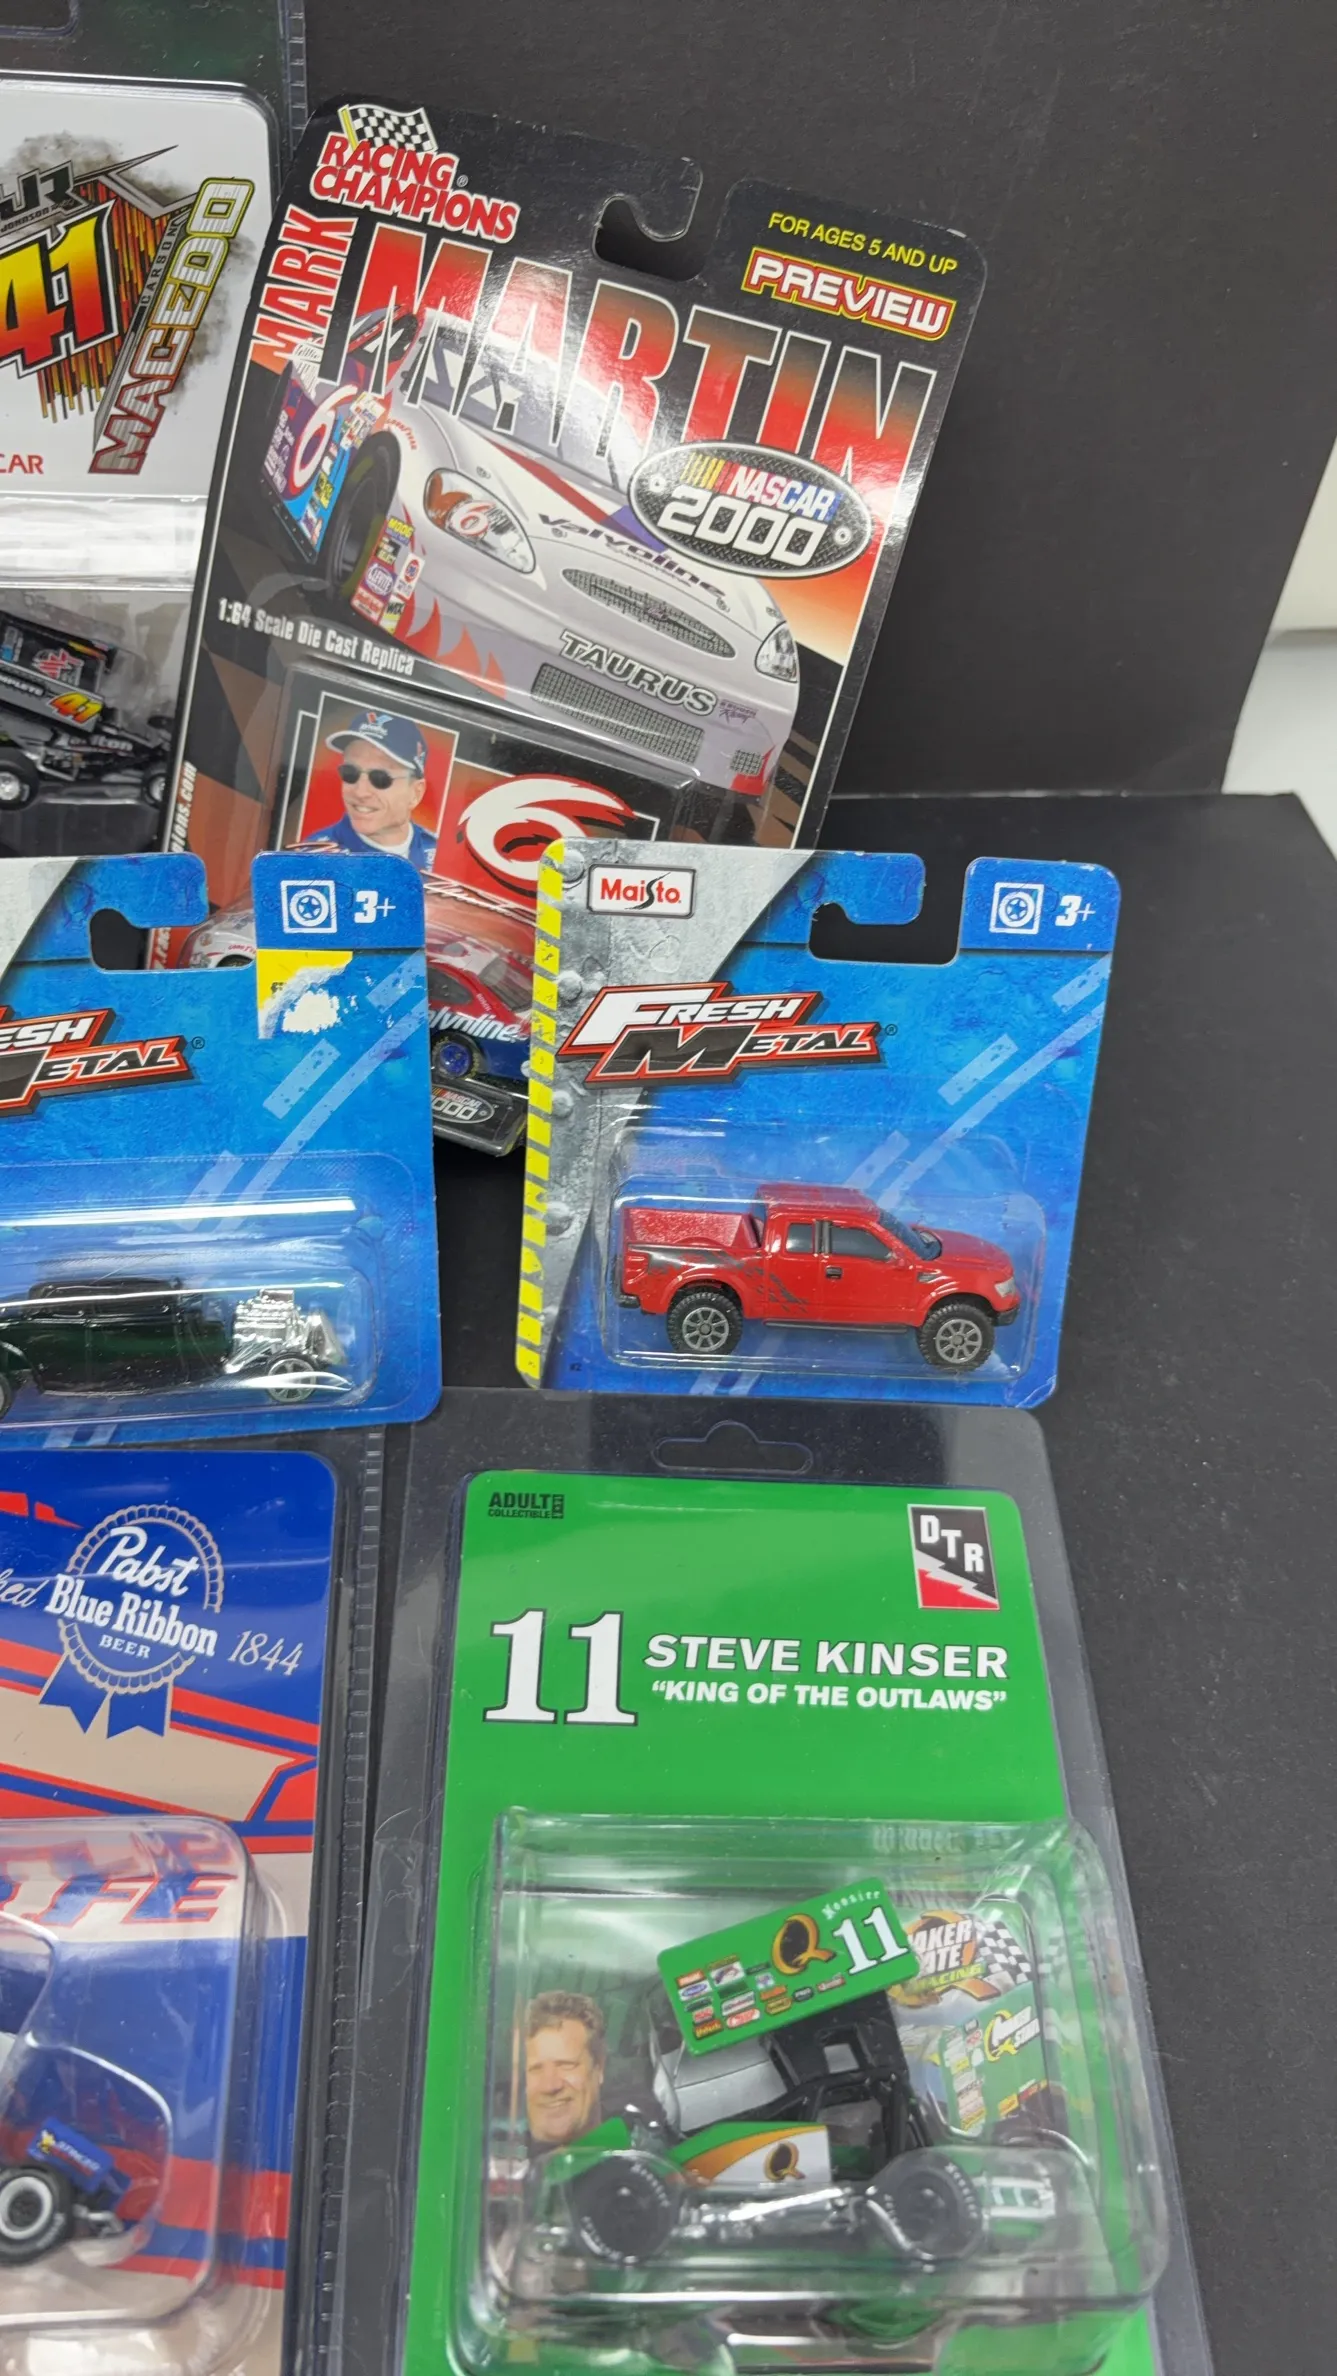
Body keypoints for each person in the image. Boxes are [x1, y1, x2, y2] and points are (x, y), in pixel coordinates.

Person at [312, 707, 437, 870]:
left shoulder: (438, 853)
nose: (360, 792)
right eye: (350, 773)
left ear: (416, 793)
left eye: (380, 778)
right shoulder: (313, 863)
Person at [523, 1990, 606, 2146]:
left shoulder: (634, 2158)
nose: (550, 2086)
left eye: (566, 2065)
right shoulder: (487, 2158)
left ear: (599, 2067)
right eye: (536, 2069)